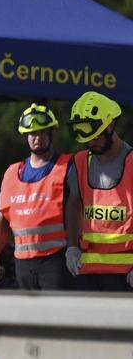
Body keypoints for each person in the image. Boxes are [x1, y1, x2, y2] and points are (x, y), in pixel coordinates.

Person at [0, 103, 74, 290]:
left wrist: (75, 249)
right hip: (23, 263)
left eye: (42, 133)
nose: (37, 138)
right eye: (32, 133)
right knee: (29, 316)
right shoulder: (12, 172)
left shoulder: (68, 167)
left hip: (56, 260)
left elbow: (77, 209)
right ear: (25, 136)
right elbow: (4, 219)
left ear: (51, 134)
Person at [64, 91, 131, 291]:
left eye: (96, 137)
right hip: (87, 270)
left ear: (110, 126)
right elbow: (74, 204)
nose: (90, 143)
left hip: (125, 273)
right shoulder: (80, 161)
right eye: (87, 139)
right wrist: (72, 247)